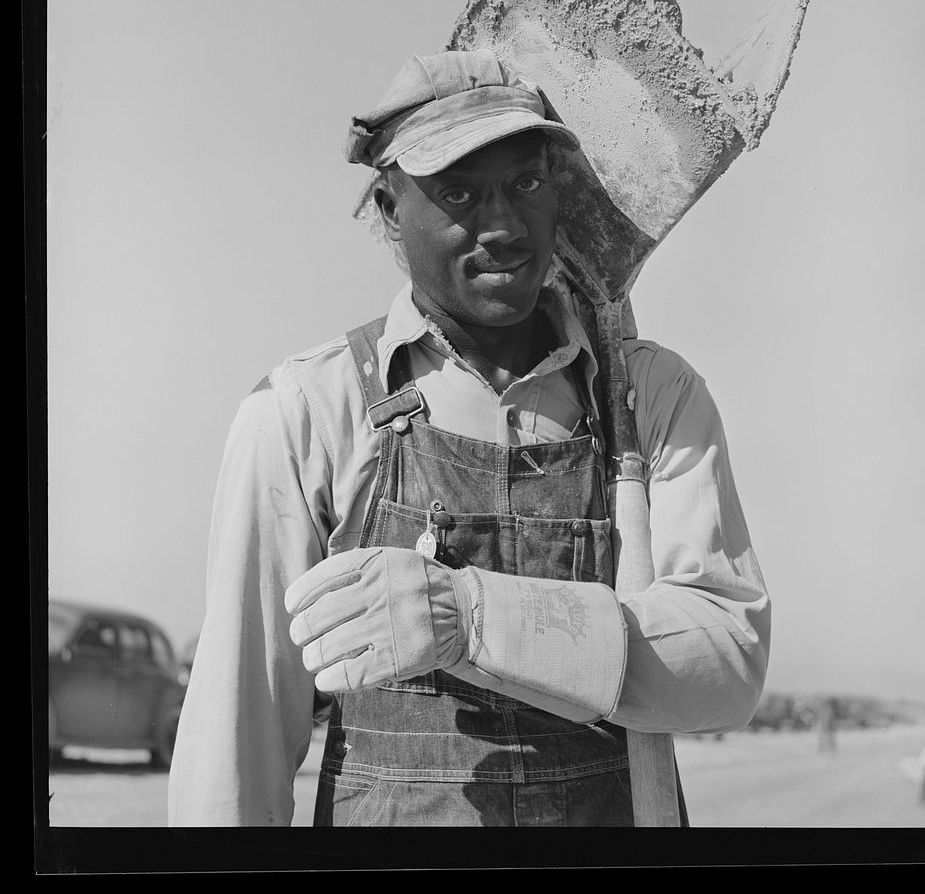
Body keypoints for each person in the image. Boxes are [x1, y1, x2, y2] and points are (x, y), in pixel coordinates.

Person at [167, 49, 771, 827]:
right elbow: (234, 751)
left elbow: (726, 661)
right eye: (457, 191)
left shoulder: (648, 398)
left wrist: (467, 613)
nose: (504, 226)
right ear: (389, 208)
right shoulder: (305, 413)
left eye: (526, 182)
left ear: (560, 188)